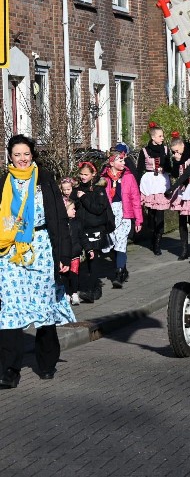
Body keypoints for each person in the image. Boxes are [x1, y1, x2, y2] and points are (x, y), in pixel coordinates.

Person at [0, 135, 76, 388]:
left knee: (44, 306)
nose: (22, 159)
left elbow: (58, 220)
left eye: (26, 154)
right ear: (10, 156)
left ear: (33, 156)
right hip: (11, 252)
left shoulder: (44, 181)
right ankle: (9, 370)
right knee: (10, 310)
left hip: (42, 248)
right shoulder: (4, 182)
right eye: (17, 154)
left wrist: (64, 255)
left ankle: (46, 363)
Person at [101, 149, 143, 288]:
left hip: (124, 214)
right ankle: (122, 267)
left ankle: (118, 274)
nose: (124, 163)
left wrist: (138, 219)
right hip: (109, 215)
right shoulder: (104, 178)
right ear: (112, 162)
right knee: (111, 244)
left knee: (121, 243)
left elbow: (135, 199)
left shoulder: (129, 177)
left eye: (124, 160)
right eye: (120, 160)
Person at [72, 162, 109, 302]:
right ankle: (90, 287)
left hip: (95, 229)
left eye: (86, 174)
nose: (83, 177)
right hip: (82, 229)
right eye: (81, 174)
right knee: (85, 260)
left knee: (93, 259)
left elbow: (98, 209)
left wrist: (84, 198)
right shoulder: (78, 189)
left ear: (93, 174)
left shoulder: (98, 190)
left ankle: (93, 290)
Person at [139, 123, 172, 256]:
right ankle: (153, 236)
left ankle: (157, 243)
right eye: (160, 136)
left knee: (160, 214)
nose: (162, 138)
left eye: (162, 135)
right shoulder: (145, 151)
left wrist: (165, 168)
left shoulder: (165, 149)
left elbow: (169, 167)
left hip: (161, 182)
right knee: (151, 213)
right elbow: (139, 168)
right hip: (149, 182)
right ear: (153, 137)